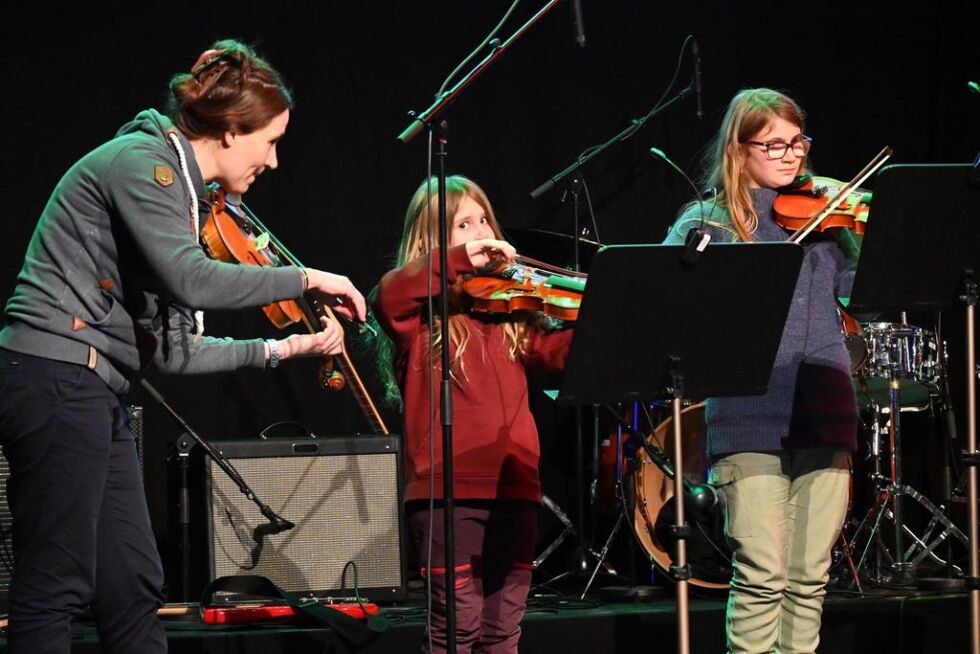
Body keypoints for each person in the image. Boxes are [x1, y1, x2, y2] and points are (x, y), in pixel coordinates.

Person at [0, 39, 366, 654]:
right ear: (229, 132)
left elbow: (172, 353)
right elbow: (192, 278)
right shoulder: (145, 165)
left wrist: (287, 350)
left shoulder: (183, 199)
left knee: (131, 581)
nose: (274, 161)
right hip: (57, 376)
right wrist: (307, 276)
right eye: (270, 141)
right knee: (56, 581)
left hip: (96, 387)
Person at [663, 88, 859, 654]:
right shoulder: (708, 223)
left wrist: (864, 230)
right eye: (774, 144)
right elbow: (667, 303)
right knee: (762, 575)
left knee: (808, 578)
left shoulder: (826, 220)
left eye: (798, 143)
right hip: (749, 413)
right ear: (738, 149)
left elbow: (863, 298)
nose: (790, 155)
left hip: (824, 407)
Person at [372, 175, 574, 653]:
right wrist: (462, 261)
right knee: (456, 628)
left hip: (516, 484)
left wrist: (598, 313)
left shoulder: (511, 312)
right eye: (465, 224)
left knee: (503, 629)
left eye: (485, 219)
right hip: (448, 490)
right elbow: (389, 294)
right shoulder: (418, 322)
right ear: (430, 241)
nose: (482, 231)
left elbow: (559, 357)